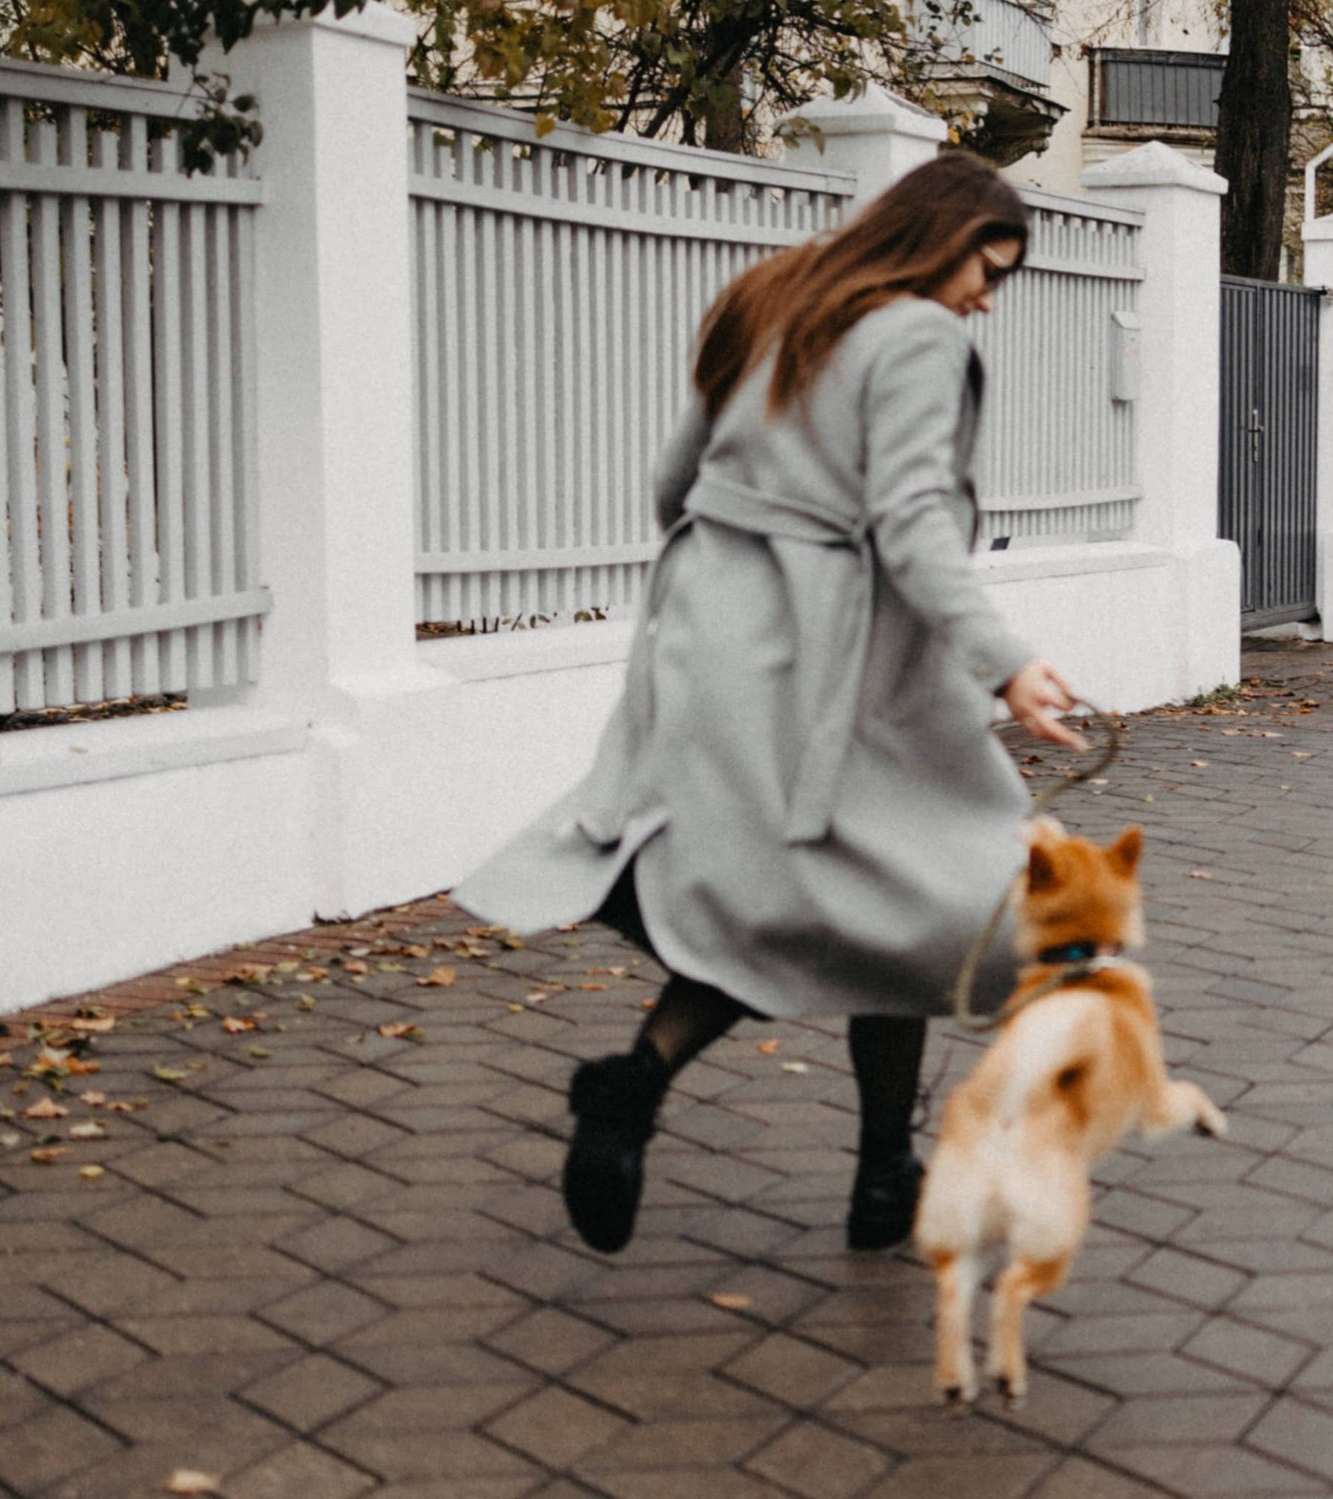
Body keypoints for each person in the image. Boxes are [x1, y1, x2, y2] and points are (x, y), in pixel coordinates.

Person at [453, 150, 1084, 1256]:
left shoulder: (770, 296)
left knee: (856, 894)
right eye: (986, 271)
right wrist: (1005, 662)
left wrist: (742, 571)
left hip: (716, 641)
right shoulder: (916, 334)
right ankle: (854, 1162)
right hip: (845, 669)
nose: (986, 299)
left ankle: (702, 1110)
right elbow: (910, 519)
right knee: (923, 888)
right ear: (937, 239)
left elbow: (674, 484)